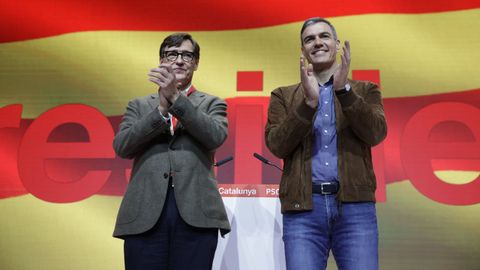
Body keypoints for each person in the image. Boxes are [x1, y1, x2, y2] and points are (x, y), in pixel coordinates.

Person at [265, 17, 387, 270]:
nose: (317, 42)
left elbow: (376, 134)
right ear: (303, 51)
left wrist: (344, 92)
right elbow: (277, 145)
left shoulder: (365, 90)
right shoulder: (283, 96)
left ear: (337, 44)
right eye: (309, 39)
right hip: (303, 210)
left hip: (355, 208)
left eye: (324, 36)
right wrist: (307, 105)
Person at [112, 33, 230, 270]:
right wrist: (161, 111)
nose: (179, 60)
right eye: (172, 54)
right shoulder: (139, 105)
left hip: (196, 213)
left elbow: (215, 136)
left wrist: (175, 98)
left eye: (187, 55)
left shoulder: (212, 103)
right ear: (161, 60)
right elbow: (123, 146)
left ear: (196, 63)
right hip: (144, 213)